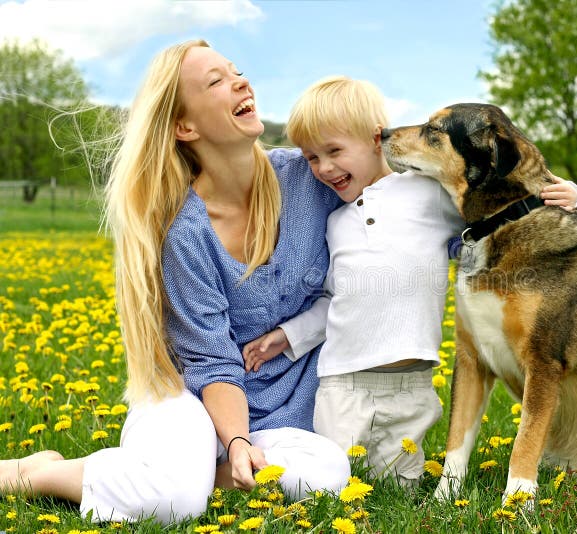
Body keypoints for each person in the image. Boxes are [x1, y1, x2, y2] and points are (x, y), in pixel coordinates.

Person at [0, 40, 349, 524]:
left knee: (325, 472)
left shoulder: (309, 180)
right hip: (185, 399)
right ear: (185, 126)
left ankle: (193, 474)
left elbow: (386, 200)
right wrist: (237, 441)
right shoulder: (185, 230)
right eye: (216, 81)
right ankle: (37, 474)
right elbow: (211, 361)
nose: (240, 81)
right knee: (175, 502)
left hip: (276, 415)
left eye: (237, 71)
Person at [242, 76, 577, 487]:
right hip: (341, 382)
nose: (324, 168)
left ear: (376, 139)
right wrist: (289, 335)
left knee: (399, 485)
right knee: (327, 483)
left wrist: (575, 198)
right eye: (312, 158)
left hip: (411, 383)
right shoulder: (334, 222)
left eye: (334, 151)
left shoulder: (430, 194)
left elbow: (509, 216)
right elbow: (333, 300)